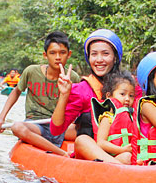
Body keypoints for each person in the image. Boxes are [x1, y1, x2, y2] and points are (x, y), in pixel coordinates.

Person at [0, 31, 80, 156]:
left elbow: (79, 106)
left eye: (62, 53)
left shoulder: (74, 78)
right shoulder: (31, 71)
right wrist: (1, 118)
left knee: (89, 132)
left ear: (69, 54)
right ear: (45, 55)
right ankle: (61, 153)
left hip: (61, 126)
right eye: (53, 53)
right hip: (36, 125)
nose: (58, 57)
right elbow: (16, 92)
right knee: (17, 127)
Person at [52, 29, 135, 163]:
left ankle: (119, 166)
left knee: (127, 157)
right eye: (94, 54)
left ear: (115, 57)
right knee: (82, 139)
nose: (99, 60)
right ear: (88, 58)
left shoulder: (129, 88)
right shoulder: (81, 90)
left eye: (105, 54)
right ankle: (119, 167)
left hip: (120, 152)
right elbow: (56, 130)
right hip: (89, 155)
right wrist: (64, 95)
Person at [91, 71, 136, 164]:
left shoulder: (132, 118)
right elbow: (101, 143)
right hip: (112, 157)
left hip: (127, 154)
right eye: (122, 94)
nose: (127, 99)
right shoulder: (107, 118)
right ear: (109, 95)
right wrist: (122, 150)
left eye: (131, 95)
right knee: (127, 157)